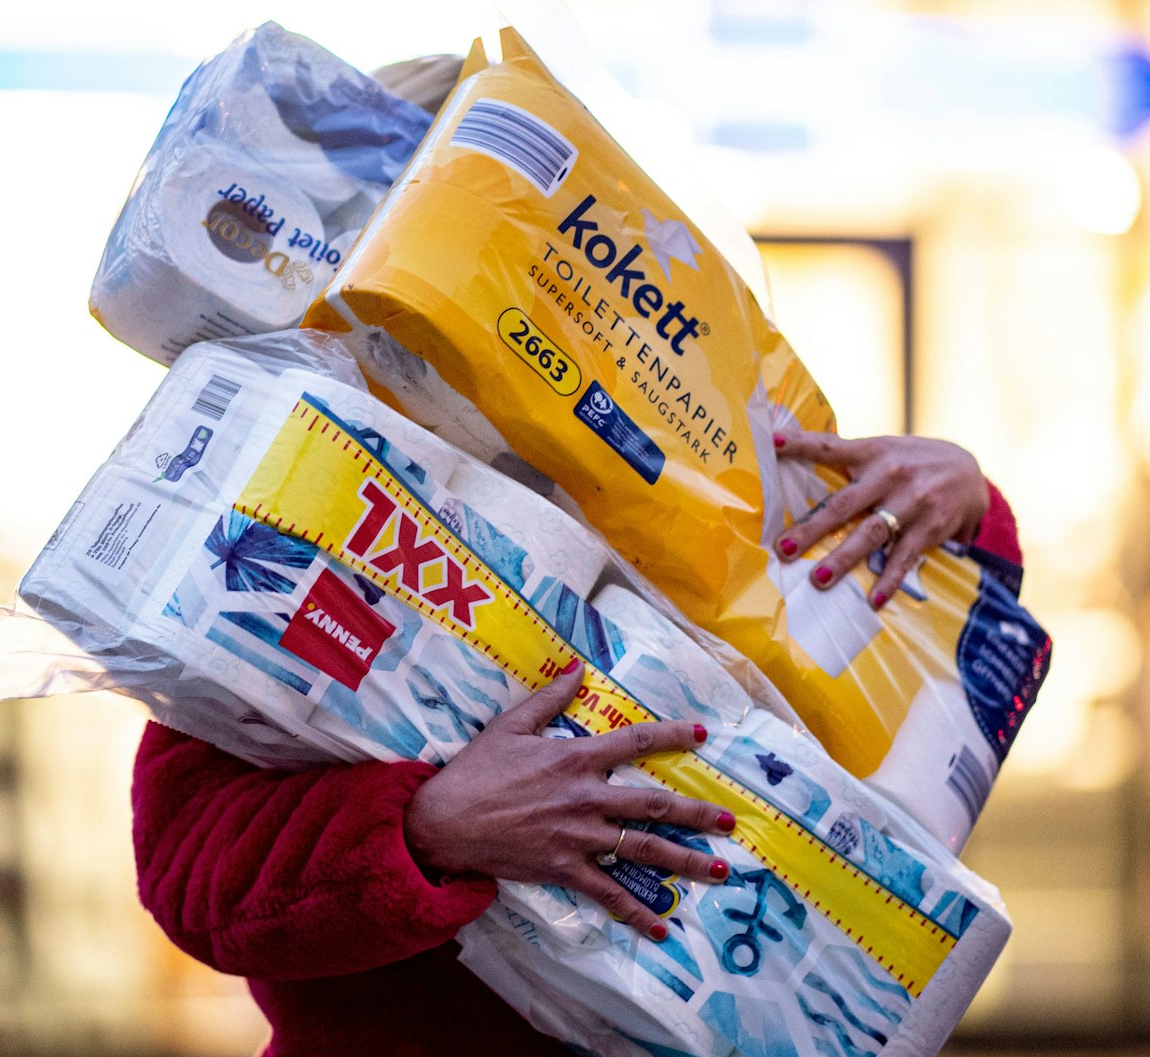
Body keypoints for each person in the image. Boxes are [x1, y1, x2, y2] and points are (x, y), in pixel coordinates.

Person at [132, 431, 1022, 1057]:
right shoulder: (312, 479)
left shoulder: (682, 434)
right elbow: (190, 871)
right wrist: (427, 829)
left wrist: (965, 505)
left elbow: (911, 697)